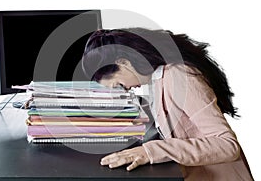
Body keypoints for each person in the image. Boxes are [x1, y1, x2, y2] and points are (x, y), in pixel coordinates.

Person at [81, 28, 253, 180]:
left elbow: (228, 145)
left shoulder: (179, 76)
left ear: (124, 63)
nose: (125, 89)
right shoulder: (156, 78)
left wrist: (152, 151)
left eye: (119, 85)